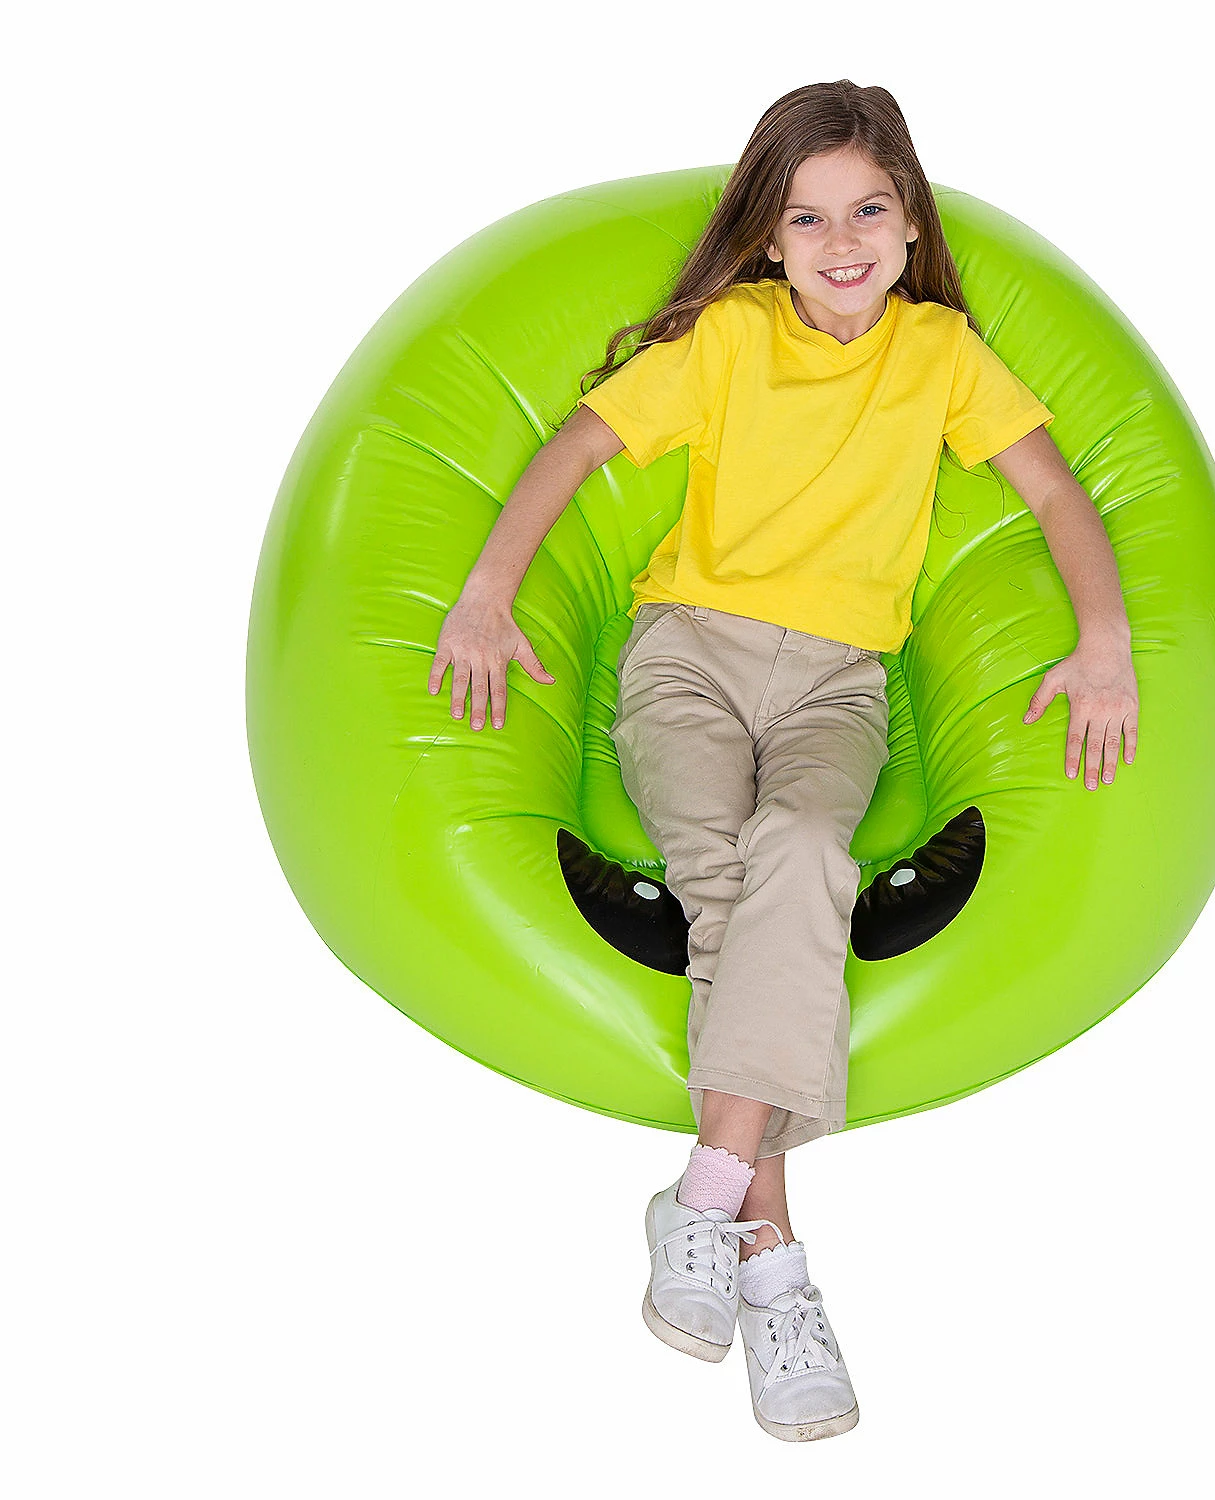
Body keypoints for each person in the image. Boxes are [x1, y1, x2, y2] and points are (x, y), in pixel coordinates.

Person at [427, 80, 1139, 1443]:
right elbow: (580, 444)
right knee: (721, 880)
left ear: (913, 222)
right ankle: (775, 1265)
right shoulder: (733, 336)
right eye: (807, 218)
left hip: (837, 683)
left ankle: (706, 1202)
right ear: (766, 237)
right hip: (687, 656)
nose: (842, 242)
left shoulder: (939, 354)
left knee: (803, 853)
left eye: (870, 209)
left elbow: (1055, 489)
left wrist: (1103, 644)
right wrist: (486, 594)